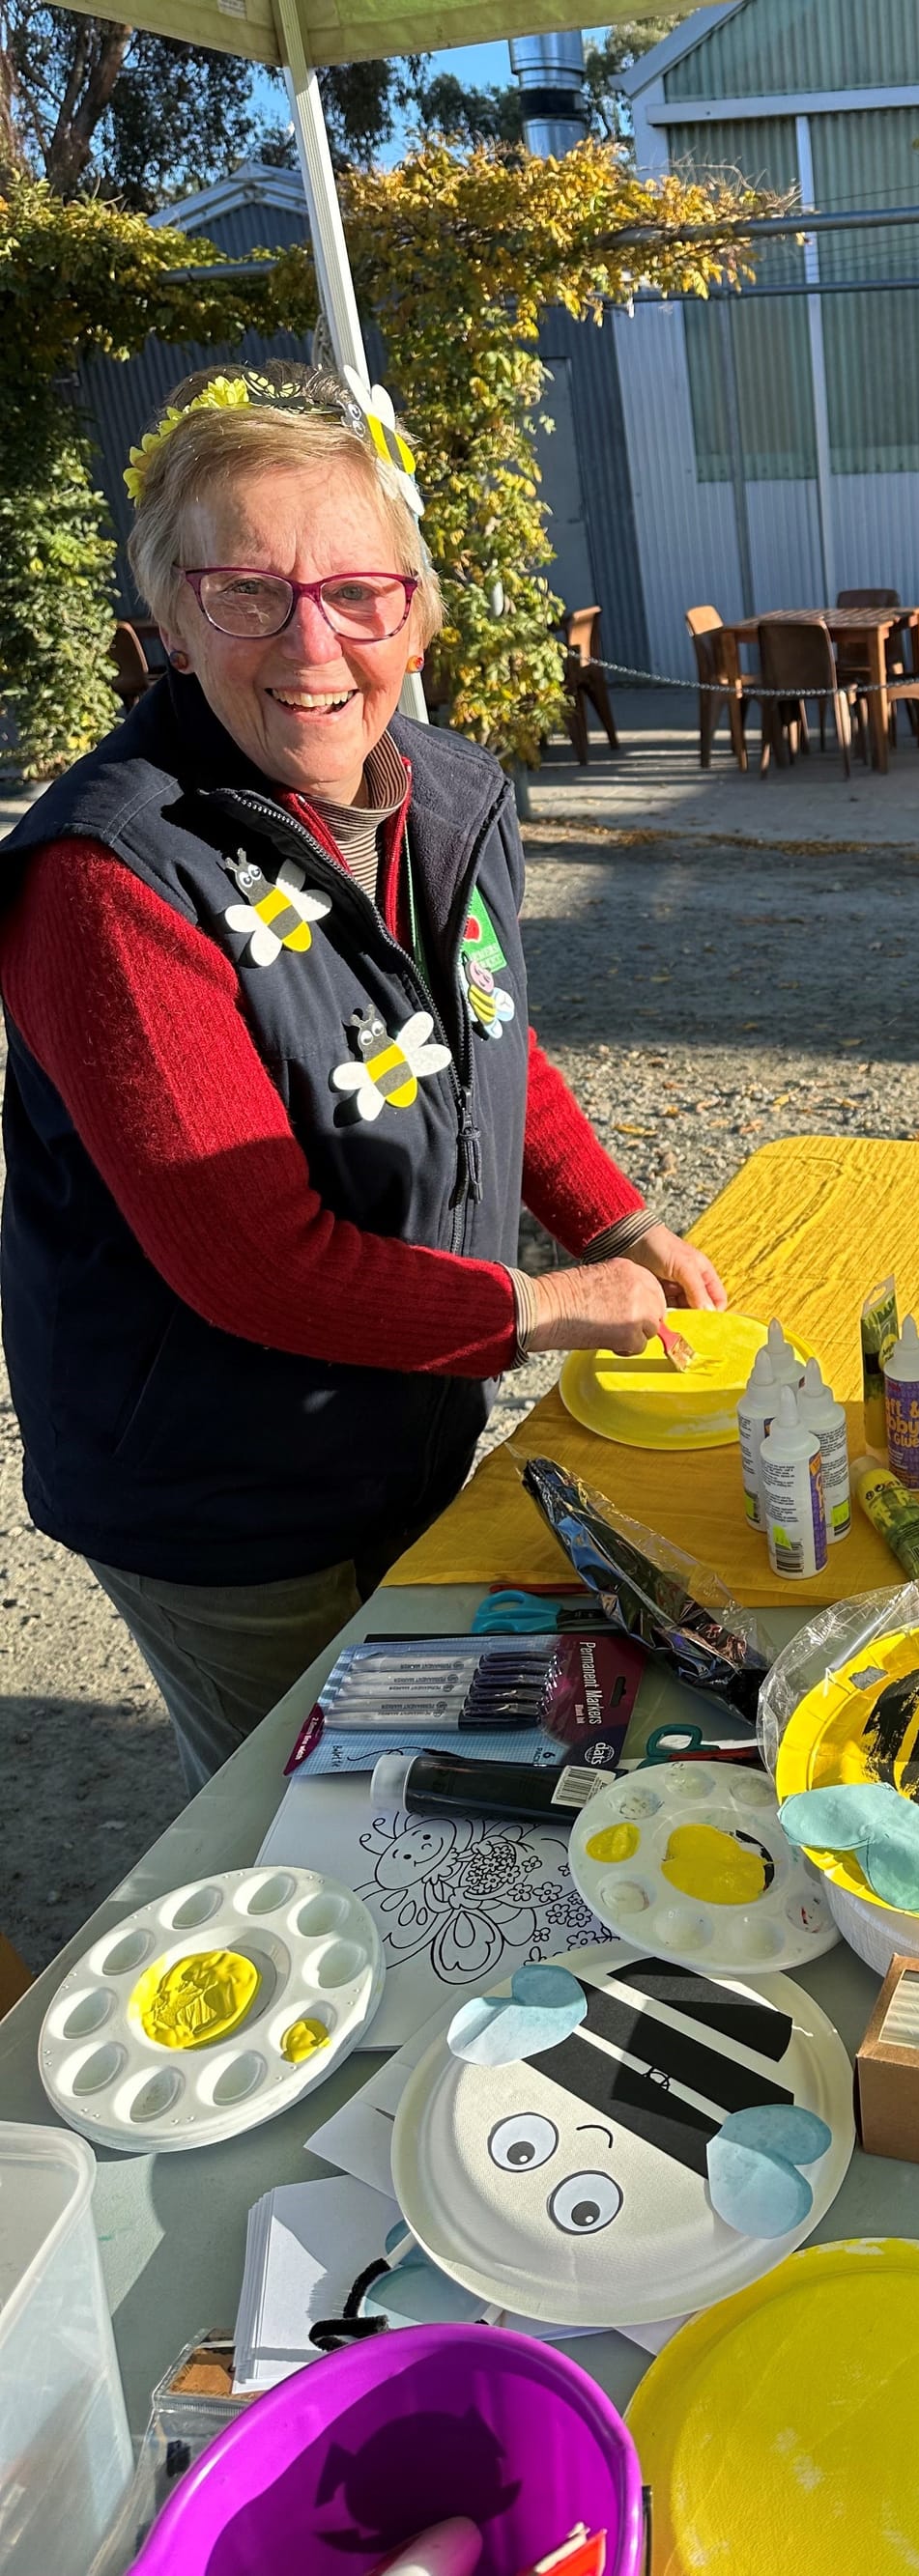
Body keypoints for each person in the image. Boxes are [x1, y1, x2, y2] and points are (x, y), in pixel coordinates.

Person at [0, 365, 724, 1789]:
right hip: (219, 1488)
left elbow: (488, 1041)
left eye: (356, 592)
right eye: (246, 593)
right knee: (316, 1801)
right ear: (169, 624)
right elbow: (253, 1266)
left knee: (435, 1749)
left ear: (417, 610)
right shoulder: (109, 881)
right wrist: (545, 1306)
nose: (309, 643)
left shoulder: (447, 799)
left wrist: (619, 1223)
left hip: (404, 1410)